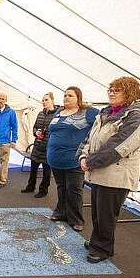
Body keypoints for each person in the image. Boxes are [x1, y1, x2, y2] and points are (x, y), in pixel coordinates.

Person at [77, 77, 140, 263]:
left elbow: (118, 147)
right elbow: (89, 139)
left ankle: (102, 248)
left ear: (129, 92)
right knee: (98, 212)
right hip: (99, 172)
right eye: (110, 89)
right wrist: (83, 156)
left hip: (116, 175)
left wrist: (91, 160)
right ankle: (97, 241)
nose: (111, 93)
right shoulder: (105, 114)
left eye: (116, 90)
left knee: (107, 214)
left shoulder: (136, 117)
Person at [47, 86, 99, 232]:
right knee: (61, 187)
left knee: (74, 189)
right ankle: (61, 211)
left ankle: (76, 219)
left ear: (79, 98)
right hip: (55, 158)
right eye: (65, 95)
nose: (66, 98)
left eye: (70, 95)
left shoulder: (88, 112)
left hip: (74, 159)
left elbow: (101, 126)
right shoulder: (58, 112)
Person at [21, 92, 59, 198]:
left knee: (46, 171)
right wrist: (36, 132)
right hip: (38, 145)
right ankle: (30, 187)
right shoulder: (40, 114)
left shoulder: (57, 115)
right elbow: (35, 127)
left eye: (46, 100)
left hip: (48, 147)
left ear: (52, 100)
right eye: (43, 100)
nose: (44, 102)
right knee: (33, 168)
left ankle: (43, 190)